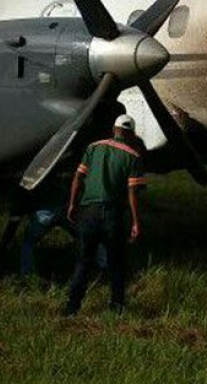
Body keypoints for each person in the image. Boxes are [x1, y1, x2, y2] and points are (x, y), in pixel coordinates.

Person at [65, 114, 146, 315]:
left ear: (114, 129)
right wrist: (136, 221)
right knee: (117, 263)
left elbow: (78, 178)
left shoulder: (93, 148)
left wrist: (72, 204)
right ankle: (117, 308)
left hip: (88, 212)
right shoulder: (133, 156)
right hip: (113, 215)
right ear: (131, 134)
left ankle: (71, 308)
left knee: (83, 261)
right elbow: (132, 193)